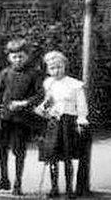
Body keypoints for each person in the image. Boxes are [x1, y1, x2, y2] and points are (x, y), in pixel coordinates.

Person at [0, 38, 44, 196]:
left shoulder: (33, 74)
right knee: (1, 148)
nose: (17, 59)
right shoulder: (5, 73)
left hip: (22, 118)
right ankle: (4, 179)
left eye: (21, 56)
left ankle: (17, 183)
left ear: (27, 56)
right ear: (9, 57)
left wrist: (24, 103)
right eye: (14, 57)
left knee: (18, 150)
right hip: (5, 117)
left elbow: (40, 95)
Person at [36, 51, 88, 199]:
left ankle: (69, 189)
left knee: (67, 156)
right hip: (53, 122)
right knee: (52, 155)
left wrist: (81, 120)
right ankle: (54, 188)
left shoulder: (74, 85)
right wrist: (43, 108)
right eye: (52, 68)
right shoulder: (48, 83)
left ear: (64, 66)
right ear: (47, 69)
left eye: (59, 67)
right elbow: (48, 102)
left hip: (68, 123)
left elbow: (81, 106)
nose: (56, 70)